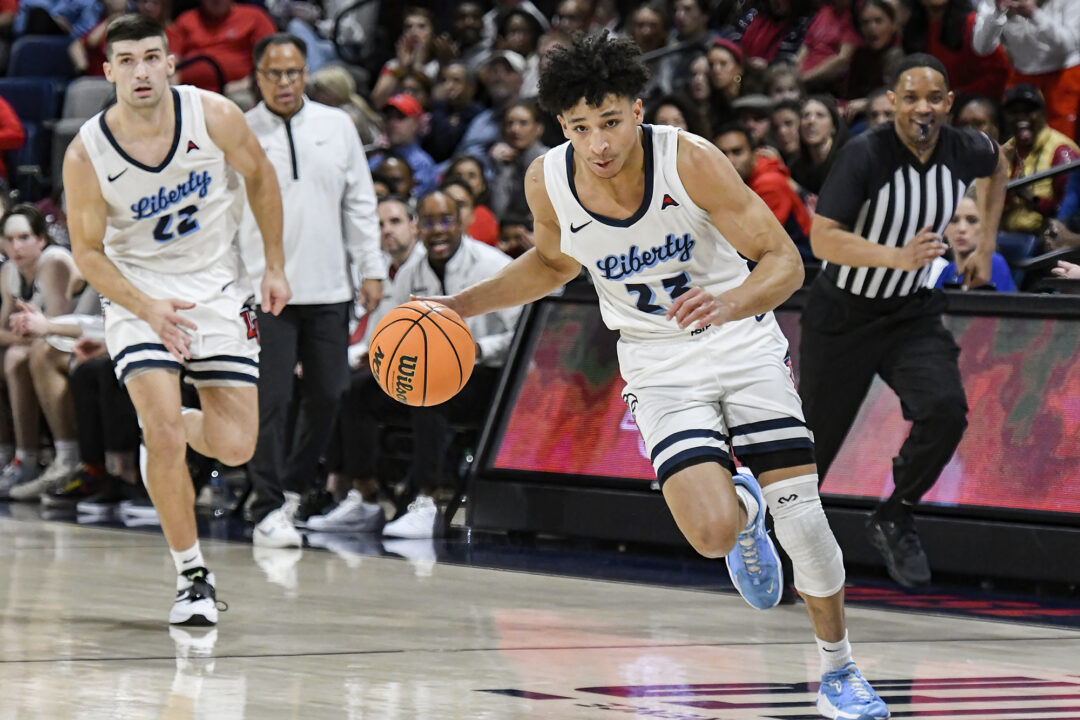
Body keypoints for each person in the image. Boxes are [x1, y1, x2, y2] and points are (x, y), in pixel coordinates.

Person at [418, 31, 889, 720]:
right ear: (562, 127)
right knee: (710, 534)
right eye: (581, 127)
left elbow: (784, 261)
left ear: (637, 109)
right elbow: (552, 265)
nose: (599, 142)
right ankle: (744, 514)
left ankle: (839, 669)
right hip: (656, 361)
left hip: (738, 339)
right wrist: (458, 306)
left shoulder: (689, 159)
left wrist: (729, 301)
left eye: (610, 121)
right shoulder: (547, 180)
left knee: (807, 523)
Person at [62, 14, 290, 625]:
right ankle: (193, 577)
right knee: (161, 431)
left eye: (151, 57)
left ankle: (165, 428)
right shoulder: (87, 152)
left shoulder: (214, 115)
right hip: (139, 295)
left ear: (169, 62)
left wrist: (273, 264)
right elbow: (87, 252)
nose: (141, 70)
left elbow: (262, 179)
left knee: (236, 446)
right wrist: (146, 307)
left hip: (217, 289)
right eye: (127, 60)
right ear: (107, 71)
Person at [800, 53, 1008, 590]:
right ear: (892, 101)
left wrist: (984, 243)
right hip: (844, 312)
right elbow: (823, 239)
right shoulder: (864, 153)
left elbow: (998, 165)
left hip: (910, 313)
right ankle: (786, 551)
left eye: (933, 98)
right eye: (910, 97)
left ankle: (896, 511)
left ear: (948, 105)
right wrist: (897, 256)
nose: (922, 108)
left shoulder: (965, 148)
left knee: (946, 410)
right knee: (814, 447)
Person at [240, 33, 384, 550]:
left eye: (294, 72)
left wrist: (372, 268)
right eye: (274, 73)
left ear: (306, 74)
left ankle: (294, 489)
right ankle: (267, 504)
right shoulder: (239, 132)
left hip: (329, 286)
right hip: (263, 291)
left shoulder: (337, 125)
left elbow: (360, 203)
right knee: (271, 400)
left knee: (331, 393)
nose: (285, 82)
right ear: (257, 77)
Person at [0, 205, 85, 498]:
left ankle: (63, 457)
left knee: (22, 356)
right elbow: (4, 330)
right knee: (15, 355)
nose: (16, 246)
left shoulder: (54, 262)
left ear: (41, 239)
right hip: (54, 341)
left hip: (83, 341)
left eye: (24, 237)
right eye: (9, 239)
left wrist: (25, 330)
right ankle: (12, 456)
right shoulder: (9, 270)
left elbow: (54, 329)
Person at [972, 0, 1080, 140]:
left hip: (1063, 76)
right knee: (1021, 148)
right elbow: (981, 47)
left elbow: (1069, 45)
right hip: (1022, 76)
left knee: (1064, 148)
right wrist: (998, 13)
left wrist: (1033, 13)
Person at [715, 122, 812, 259]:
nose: (729, 160)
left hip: (801, 258)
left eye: (737, 152)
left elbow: (760, 241)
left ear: (754, 154)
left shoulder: (770, 183)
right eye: (722, 153)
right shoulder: (736, 181)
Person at [1000, 84, 1080, 233]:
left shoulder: (1061, 151)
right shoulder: (1004, 151)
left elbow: (1069, 213)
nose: (1021, 117)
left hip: (1042, 239)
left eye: (1029, 111)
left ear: (1043, 113)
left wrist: (1032, 199)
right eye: (1014, 112)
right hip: (1004, 236)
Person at [170, 0, 276, 104]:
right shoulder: (186, 20)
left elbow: (271, 60)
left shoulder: (254, 17)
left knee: (243, 101)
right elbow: (172, 60)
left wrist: (247, 84)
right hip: (190, 93)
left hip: (238, 90)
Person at [933, 190, 1016, 291]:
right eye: (954, 220)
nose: (961, 228)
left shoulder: (992, 262)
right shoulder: (948, 270)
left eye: (972, 220)